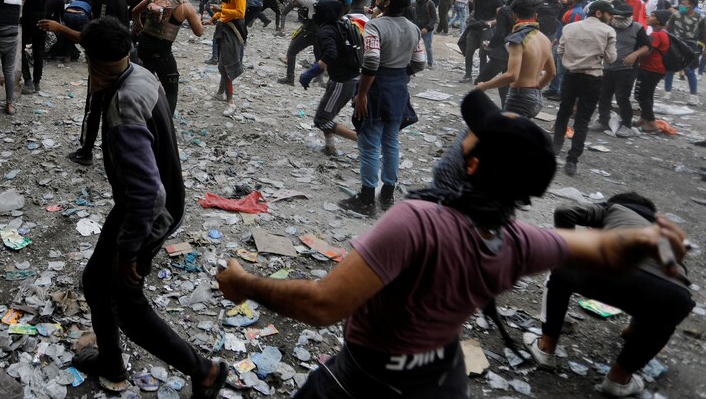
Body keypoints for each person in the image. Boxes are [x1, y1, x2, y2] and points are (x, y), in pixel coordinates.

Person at [216, 89, 689, 399]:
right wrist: (649, 237)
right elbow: (603, 250)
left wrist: (245, 283)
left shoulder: (417, 222)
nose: (459, 138)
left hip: (367, 382)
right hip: (442, 379)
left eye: (469, 137)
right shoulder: (517, 240)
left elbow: (323, 305)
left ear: (474, 166)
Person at [74, 16, 227, 397]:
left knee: (125, 302)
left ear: (93, 62)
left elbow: (148, 194)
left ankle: (205, 371)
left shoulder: (124, 105)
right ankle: (111, 362)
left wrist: (129, 253)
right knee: (96, 281)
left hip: (149, 212)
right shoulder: (141, 74)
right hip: (144, 203)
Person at [529, 193, 693, 398]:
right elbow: (653, 281)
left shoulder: (613, 208)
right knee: (664, 312)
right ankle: (618, 380)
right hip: (673, 294)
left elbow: (565, 211)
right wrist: (633, 329)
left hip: (606, 270)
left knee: (560, 271)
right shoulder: (664, 232)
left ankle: (546, 349)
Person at [17, 0, 129, 166]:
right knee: (109, 107)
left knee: (96, 108)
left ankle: (87, 152)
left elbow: (87, 38)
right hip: (117, 56)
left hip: (108, 62)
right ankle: (111, 154)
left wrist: (58, 27)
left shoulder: (108, 4)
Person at [339, 0, 419, 214]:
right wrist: (399, 74)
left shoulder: (375, 25)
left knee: (370, 143)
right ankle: (387, 194)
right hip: (398, 89)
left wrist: (362, 93)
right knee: (391, 141)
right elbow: (420, 62)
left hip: (375, 89)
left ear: (388, 3)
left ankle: (366, 198)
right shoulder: (413, 28)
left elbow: (372, 60)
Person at [553, 0, 620, 176]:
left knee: (563, 112)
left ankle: (556, 147)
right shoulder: (608, 31)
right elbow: (611, 58)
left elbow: (560, 51)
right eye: (610, 14)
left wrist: (573, 60)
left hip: (571, 76)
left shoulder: (570, 28)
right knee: (582, 120)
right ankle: (572, 160)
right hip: (593, 78)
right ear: (598, 13)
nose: (611, 18)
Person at [131, 0, 204, 114]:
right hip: (162, 54)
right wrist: (198, 18)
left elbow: (134, 11)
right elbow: (199, 32)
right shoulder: (185, 6)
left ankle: (139, 116)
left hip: (143, 49)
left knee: (143, 85)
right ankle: (166, 123)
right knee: (171, 91)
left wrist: (138, 23)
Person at [475, 0, 555, 118]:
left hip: (519, 98)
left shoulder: (517, 39)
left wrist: (484, 86)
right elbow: (551, 72)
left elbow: (512, 75)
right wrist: (536, 88)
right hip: (535, 97)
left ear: (515, 16)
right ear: (535, 16)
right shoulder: (544, 39)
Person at [299, 0, 359, 156]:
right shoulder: (341, 24)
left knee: (322, 120)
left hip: (342, 80)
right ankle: (330, 147)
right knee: (326, 112)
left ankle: (362, 140)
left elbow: (330, 54)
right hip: (350, 77)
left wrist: (310, 73)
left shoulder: (326, 30)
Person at [592, 0, 648, 137]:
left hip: (626, 69)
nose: (620, 20)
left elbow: (647, 46)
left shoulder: (637, 28)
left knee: (622, 97)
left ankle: (626, 125)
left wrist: (635, 54)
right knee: (603, 95)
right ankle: (603, 120)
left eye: (624, 18)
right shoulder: (608, 25)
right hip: (607, 67)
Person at [203, 0, 246, 117]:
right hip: (223, 26)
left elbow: (240, 13)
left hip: (233, 30)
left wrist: (220, 10)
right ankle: (221, 93)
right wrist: (212, 19)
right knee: (222, 63)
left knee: (226, 67)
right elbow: (225, 7)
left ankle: (231, 102)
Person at [276, 0, 335, 86]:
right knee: (320, 57)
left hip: (309, 31)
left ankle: (290, 78)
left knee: (291, 52)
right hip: (323, 34)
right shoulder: (333, 3)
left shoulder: (314, 1)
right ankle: (319, 80)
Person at [19, 0, 53, 94]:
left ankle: (27, 80)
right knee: (39, 49)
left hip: (28, 14)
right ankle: (37, 81)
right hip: (43, 14)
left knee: (20, 47)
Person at [633, 10, 672, 133]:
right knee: (648, 95)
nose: (649, 17)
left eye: (653, 16)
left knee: (640, 95)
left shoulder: (657, 35)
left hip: (650, 69)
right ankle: (644, 119)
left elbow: (647, 51)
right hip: (657, 69)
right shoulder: (663, 33)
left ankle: (652, 124)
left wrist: (634, 55)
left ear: (659, 21)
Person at [663, 0, 705, 105]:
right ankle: (667, 92)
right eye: (681, 3)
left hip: (691, 45)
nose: (681, 6)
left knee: (689, 70)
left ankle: (693, 96)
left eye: (684, 4)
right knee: (670, 69)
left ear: (692, 5)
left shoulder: (700, 18)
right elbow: (668, 29)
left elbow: (703, 35)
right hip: (675, 43)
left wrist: (703, 49)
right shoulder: (675, 15)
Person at [537, 0, 566, 101]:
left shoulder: (559, 5)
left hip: (552, 34)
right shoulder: (540, 2)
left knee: (550, 60)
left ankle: (553, 88)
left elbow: (560, 18)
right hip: (538, 33)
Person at [411, 0, 437, 69]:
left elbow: (434, 18)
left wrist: (427, 28)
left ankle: (430, 63)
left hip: (427, 30)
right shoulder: (414, 3)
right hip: (417, 28)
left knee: (428, 47)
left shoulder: (430, 3)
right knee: (414, 46)